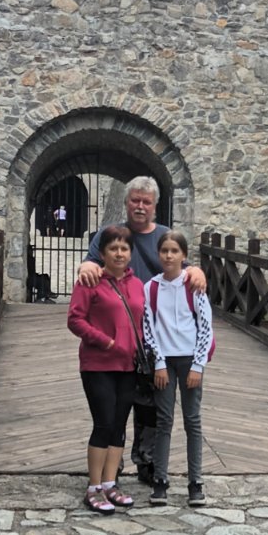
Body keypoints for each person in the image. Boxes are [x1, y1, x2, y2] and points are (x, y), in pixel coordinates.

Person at [76, 176, 206, 481]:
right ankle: (112, 466)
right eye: (135, 200)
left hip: (158, 338)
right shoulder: (112, 236)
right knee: (116, 406)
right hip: (117, 337)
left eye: (146, 202)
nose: (140, 206)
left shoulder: (164, 236)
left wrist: (196, 269)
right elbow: (91, 263)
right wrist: (86, 265)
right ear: (126, 203)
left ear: (155, 206)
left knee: (151, 406)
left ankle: (147, 461)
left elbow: (182, 264)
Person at [67, 225, 145, 515]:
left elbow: (143, 320)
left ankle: (111, 483)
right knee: (103, 423)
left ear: (130, 253)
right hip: (98, 364)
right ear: (102, 253)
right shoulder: (90, 281)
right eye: (113, 248)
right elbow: (75, 319)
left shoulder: (137, 285)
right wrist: (106, 341)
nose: (119, 253)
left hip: (128, 365)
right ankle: (94, 487)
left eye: (124, 248)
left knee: (119, 425)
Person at [142, 229, 213, 508]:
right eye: (164, 251)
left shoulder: (193, 286)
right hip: (165, 362)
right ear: (158, 254)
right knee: (164, 420)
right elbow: (149, 328)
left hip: (189, 360)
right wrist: (158, 362)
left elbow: (205, 327)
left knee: (192, 420)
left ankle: (195, 482)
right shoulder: (151, 288)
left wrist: (198, 364)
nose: (169, 256)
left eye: (174, 251)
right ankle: (160, 480)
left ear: (183, 255)